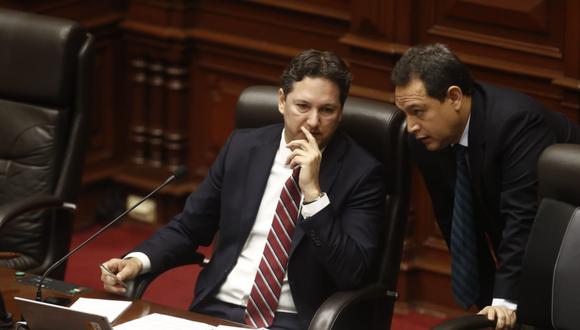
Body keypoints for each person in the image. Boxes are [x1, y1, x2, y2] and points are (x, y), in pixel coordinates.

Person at [100, 49, 386, 330]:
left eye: (327, 110)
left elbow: (352, 273)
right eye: (303, 106)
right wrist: (137, 261)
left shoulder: (361, 172)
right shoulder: (243, 147)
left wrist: (313, 194)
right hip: (216, 310)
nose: (313, 122)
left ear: (340, 112)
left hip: (294, 320)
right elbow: (189, 228)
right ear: (282, 101)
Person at [391, 43, 579, 330]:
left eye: (418, 111)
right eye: (405, 113)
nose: (411, 125)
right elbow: (454, 220)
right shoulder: (425, 138)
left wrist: (504, 300)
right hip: (526, 245)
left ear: (453, 97)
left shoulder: (515, 124)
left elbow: (522, 218)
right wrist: (488, 306)